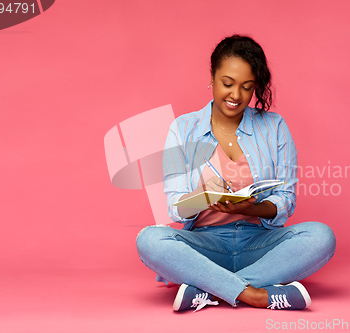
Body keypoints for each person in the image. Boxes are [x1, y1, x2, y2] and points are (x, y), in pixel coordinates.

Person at [136, 35, 336, 312]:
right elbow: (174, 209)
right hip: (205, 245)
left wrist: (252, 209)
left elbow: (286, 199)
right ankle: (256, 295)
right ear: (212, 77)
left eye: (247, 87)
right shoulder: (183, 129)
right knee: (149, 239)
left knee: (321, 236)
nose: (236, 96)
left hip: (259, 244)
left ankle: (211, 291)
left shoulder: (275, 127)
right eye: (227, 84)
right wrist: (203, 198)